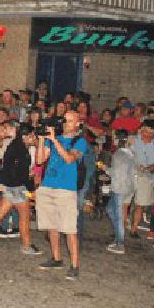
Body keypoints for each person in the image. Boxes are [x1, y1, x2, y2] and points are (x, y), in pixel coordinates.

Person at [0, 123, 42, 255]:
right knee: (25, 215)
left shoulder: (15, 145)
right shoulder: (20, 150)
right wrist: (29, 186)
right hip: (15, 187)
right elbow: (18, 172)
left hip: (10, 185)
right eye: (32, 135)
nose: (34, 138)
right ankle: (27, 245)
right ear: (25, 136)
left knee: (1, 212)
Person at [35, 111, 88, 280]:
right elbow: (39, 160)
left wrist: (54, 140)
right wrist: (42, 139)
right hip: (47, 185)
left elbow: (69, 158)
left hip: (66, 189)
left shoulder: (79, 141)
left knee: (70, 229)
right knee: (52, 226)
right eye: (64, 120)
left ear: (78, 124)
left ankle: (75, 265)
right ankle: (56, 258)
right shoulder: (53, 138)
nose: (66, 123)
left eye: (70, 121)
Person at [128, 120, 154, 239]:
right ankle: (121, 227)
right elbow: (124, 153)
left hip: (147, 177)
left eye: (151, 133)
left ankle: (133, 229)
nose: (147, 135)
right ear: (141, 129)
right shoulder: (132, 140)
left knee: (140, 205)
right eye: (145, 132)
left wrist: (150, 168)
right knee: (125, 202)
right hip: (130, 174)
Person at [103, 129, 135, 254]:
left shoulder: (118, 154)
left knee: (118, 215)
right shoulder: (130, 153)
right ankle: (118, 237)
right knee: (110, 210)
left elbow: (116, 173)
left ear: (117, 139)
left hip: (119, 188)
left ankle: (120, 244)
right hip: (127, 187)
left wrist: (106, 169)